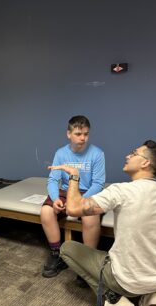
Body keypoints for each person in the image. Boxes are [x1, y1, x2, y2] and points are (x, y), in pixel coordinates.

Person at [53, 140, 156, 306]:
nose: (128, 156)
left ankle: (115, 300)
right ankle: (152, 293)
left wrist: (74, 176)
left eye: (134, 153)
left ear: (145, 163)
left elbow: (73, 208)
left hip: (127, 281)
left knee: (67, 248)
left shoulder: (120, 191)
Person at [40, 115, 105, 282]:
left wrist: (80, 202)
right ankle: (57, 255)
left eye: (86, 134)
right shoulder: (61, 153)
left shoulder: (97, 154)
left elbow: (98, 183)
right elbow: (53, 180)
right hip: (65, 190)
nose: (82, 138)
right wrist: (55, 199)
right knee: (46, 212)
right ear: (68, 134)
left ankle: (87, 263)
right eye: (78, 134)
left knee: (90, 218)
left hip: (87, 192)